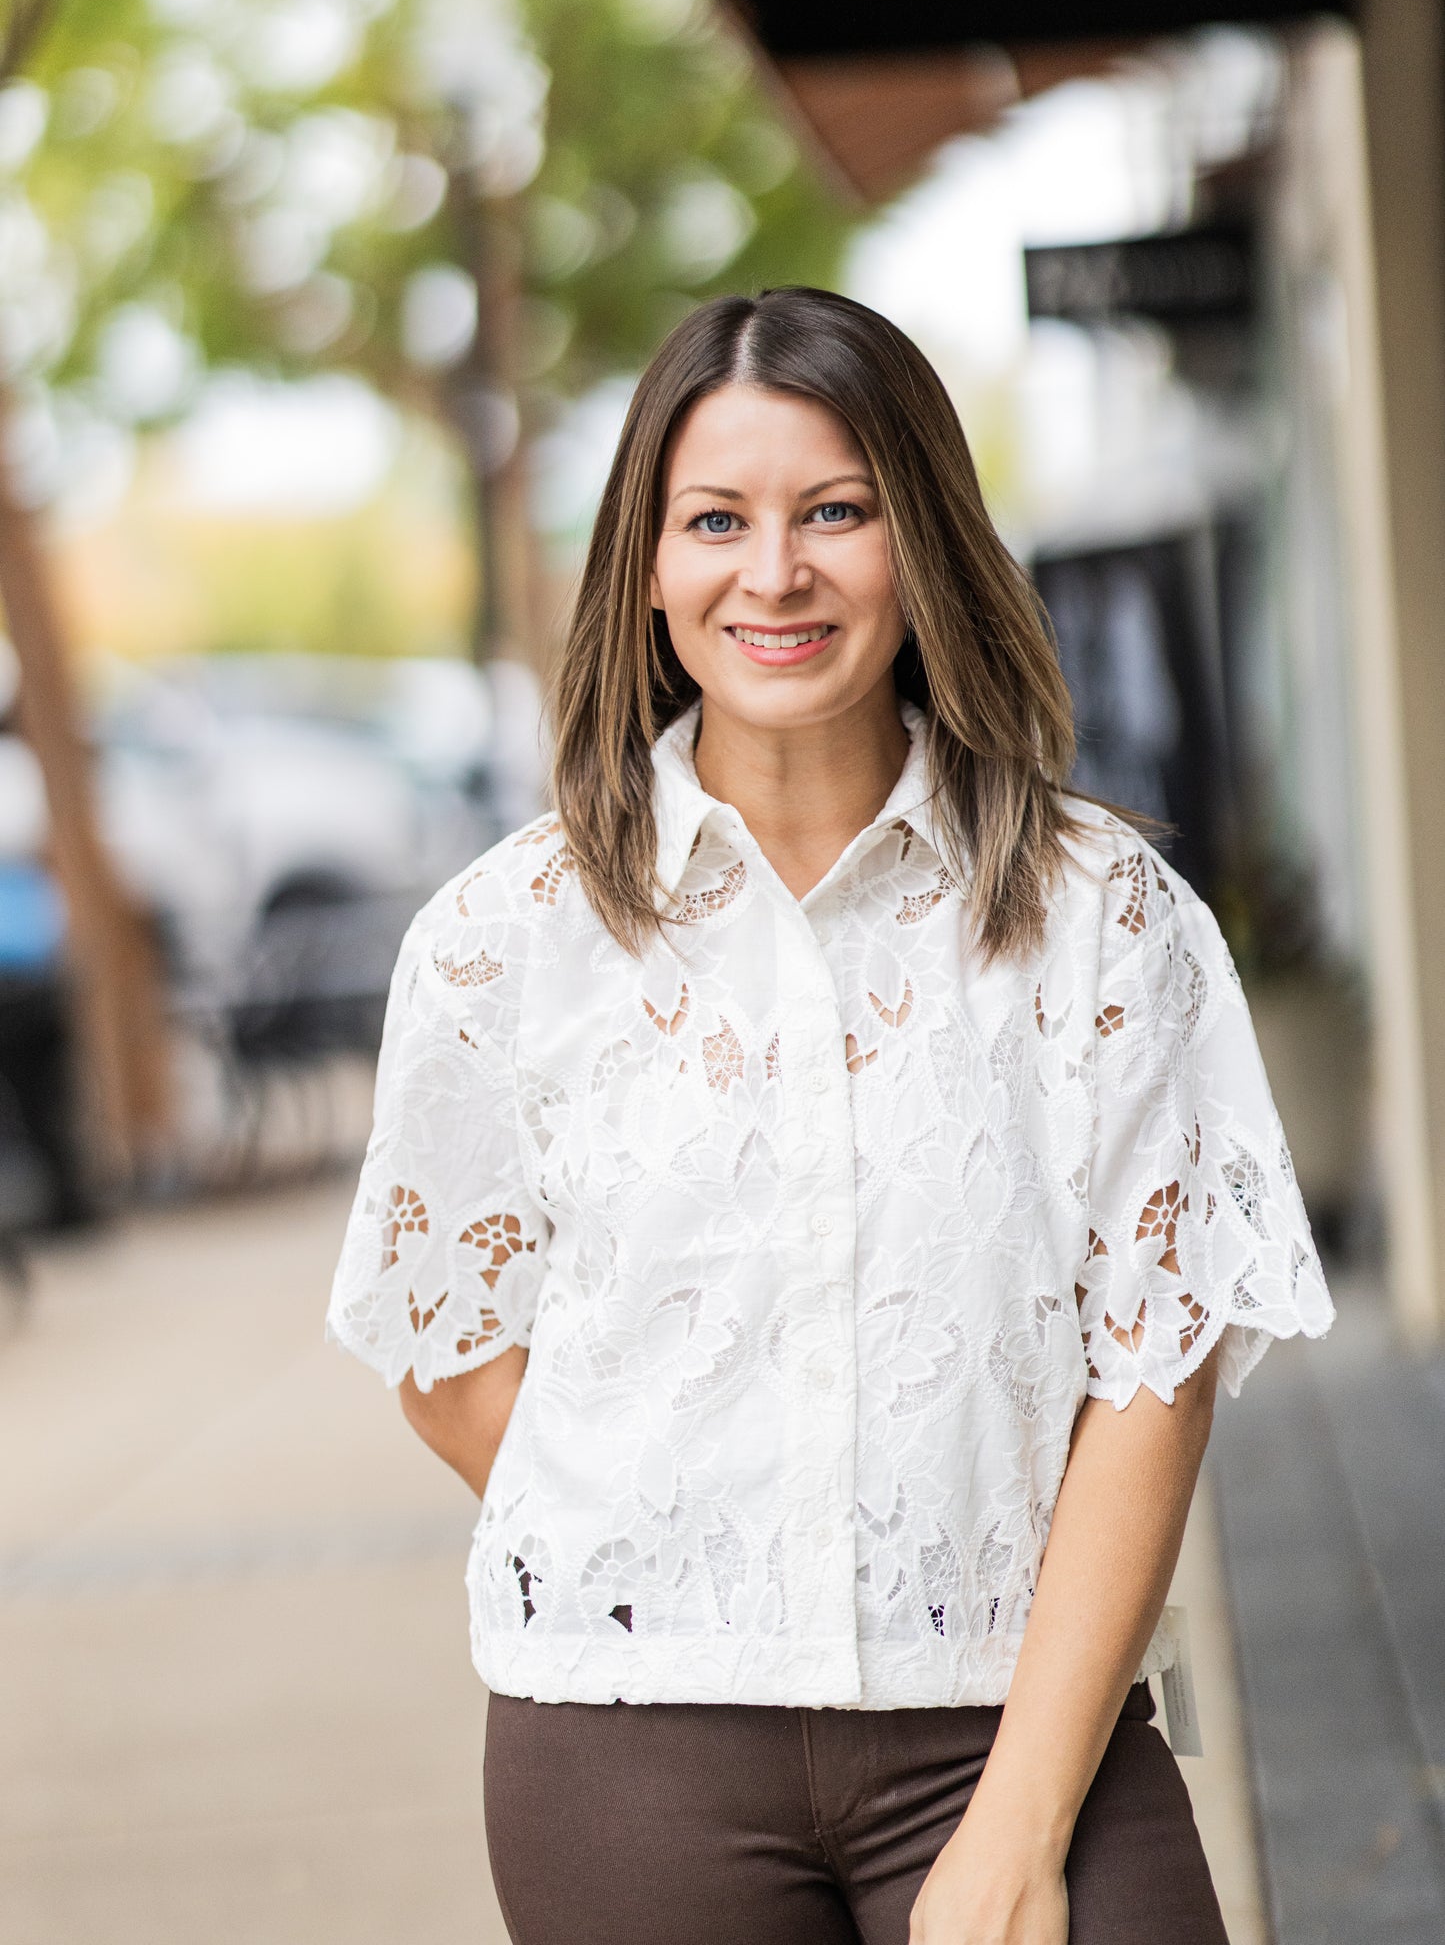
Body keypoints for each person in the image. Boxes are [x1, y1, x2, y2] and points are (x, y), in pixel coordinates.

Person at [327, 287, 1334, 1944]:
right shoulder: (501, 944)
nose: (773, 571)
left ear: (918, 536)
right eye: (715, 518)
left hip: (1016, 1726)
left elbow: (1150, 1385)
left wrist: (1018, 1830)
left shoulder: (1103, 923)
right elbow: (447, 1352)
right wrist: (699, 1548)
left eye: (835, 511)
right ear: (648, 568)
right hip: (629, 1764)